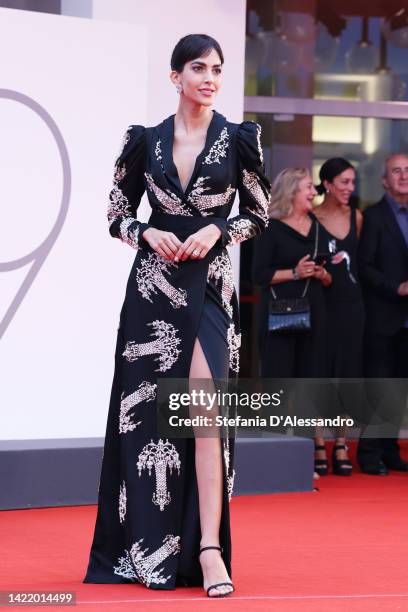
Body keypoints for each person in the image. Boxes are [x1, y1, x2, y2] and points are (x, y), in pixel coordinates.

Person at [83, 34, 270, 597]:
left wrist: (219, 229)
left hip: (210, 287)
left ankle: (210, 549)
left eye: (216, 69)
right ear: (176, 77)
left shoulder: (240, 139)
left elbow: (258, 213)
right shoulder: (145, 141)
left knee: (207, 412)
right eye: (197, 68)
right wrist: (146, 233)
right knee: (151, 422)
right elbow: (116, 212)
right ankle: (148, 549)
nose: (209, 78)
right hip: (154, 291)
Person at [253, 169, 331, 431]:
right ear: (292, 191)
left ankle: (303, 455)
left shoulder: (318, 226)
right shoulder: (270, 227)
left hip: (315, 313)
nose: (314, 192)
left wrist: (321, 273)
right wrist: (295, 273)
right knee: (278, 385)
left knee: (308, 385)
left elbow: (330, 274)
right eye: (308, 187)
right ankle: (274, 452)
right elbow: (258, 274)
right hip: (279, 316)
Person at [357, 154, 408, 475]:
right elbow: (365, 267)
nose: (404, 176)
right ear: (385, 181)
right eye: (397, 171)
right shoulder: (373, 217)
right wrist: (396, 288)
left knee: (400, 387)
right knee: (379, 387)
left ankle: (389, 449)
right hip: (383, 316)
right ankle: (369, 452)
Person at [312, 158, 364, 476]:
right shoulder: (311, 217)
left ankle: (341, 442)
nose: (350, 189)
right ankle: (319, 441)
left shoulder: (356, 217)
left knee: (346, 375)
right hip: (321, 305)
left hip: (351, 306)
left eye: (353, 183)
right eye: (344, 182)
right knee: (319, 374)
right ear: (327, 184)